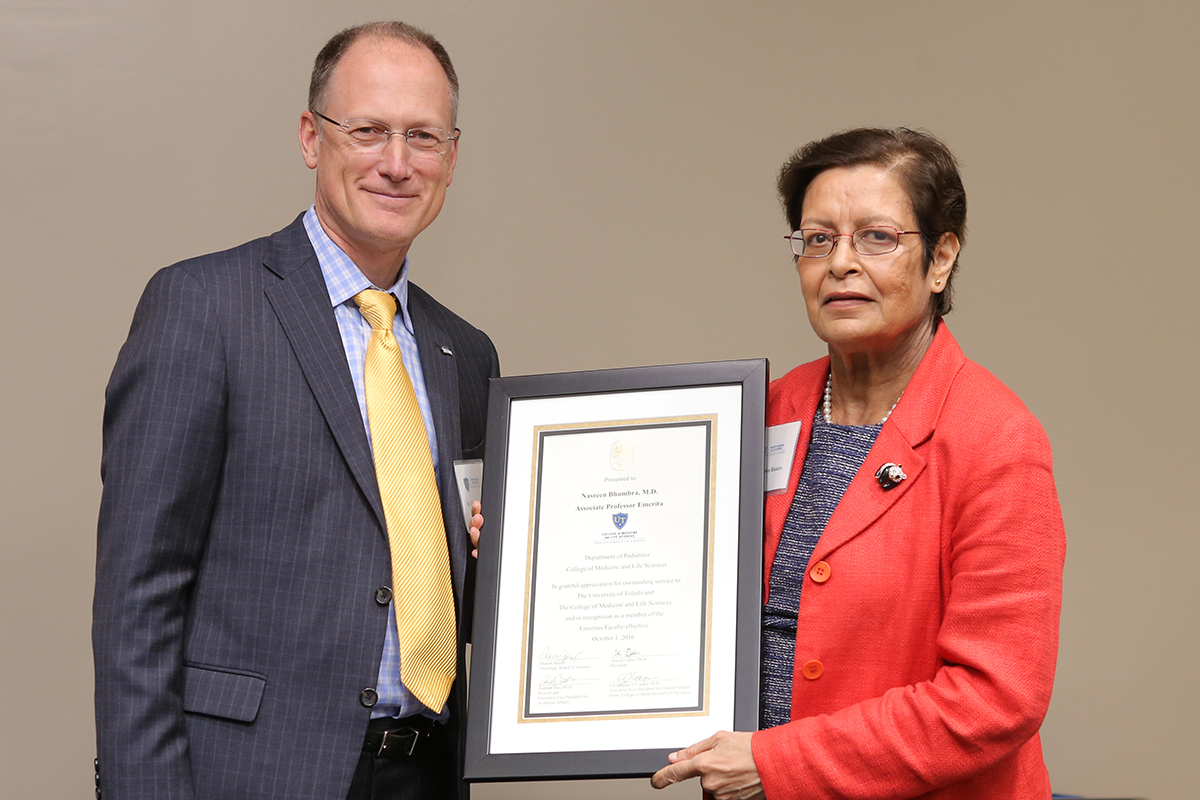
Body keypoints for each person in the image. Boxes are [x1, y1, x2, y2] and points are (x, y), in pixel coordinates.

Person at [93, 21, 498, 800]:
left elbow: (449, 595)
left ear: (452, 157)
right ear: (312, 138)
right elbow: (137, 595)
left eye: (423, 137)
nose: (397, 163)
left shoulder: (465, 354)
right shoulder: (204, 306)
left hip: (426, 771)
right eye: (368, 131)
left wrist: (505, 558)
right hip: (252, 774)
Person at [651, 127, 1064, 799]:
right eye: (818, 238)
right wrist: (532, 548)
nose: (840, 262)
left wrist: (779, 763)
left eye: (876, 237)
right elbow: (669, 581)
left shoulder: (996, 439)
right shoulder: (760, 413)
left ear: (940, 259)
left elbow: (996, 698)